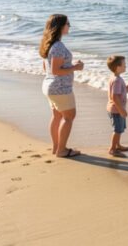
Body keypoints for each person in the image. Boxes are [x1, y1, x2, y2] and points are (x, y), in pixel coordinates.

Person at [39, 14, 84, 158]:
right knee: (69, 117)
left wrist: (69, 66)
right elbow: (56, 70)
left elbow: (47, 67)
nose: (69, 26)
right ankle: (62, 150)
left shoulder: (49, 43)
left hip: (50, 86)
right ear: (60, 26)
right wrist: (75, 67)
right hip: (60, 88)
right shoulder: (58, 46)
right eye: (67, 23)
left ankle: (56, 147)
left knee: (57, 116)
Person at [106, 55, 128, 156]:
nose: (126, 66)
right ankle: (112, 149)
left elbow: (124, 91)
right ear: (117, 67)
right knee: (117, 130)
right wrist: (121, 110)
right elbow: (114, 97)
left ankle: (117, 145)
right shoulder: (117, 80)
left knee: (120, 129)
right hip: (116, 109)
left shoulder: (116, 78)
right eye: (124, 65)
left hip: (116, 109)